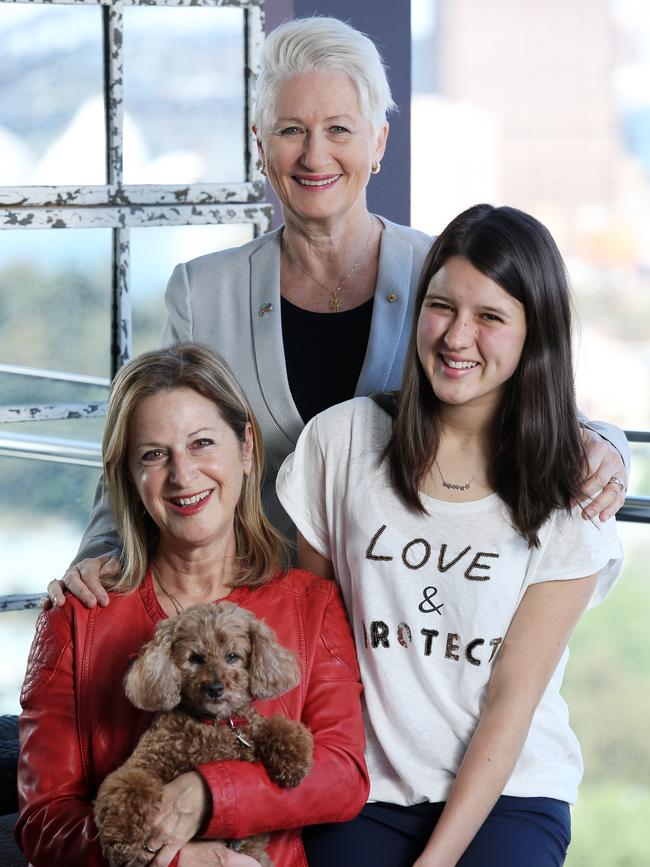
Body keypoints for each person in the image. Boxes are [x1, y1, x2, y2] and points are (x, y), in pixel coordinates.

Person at [47, 16, 628, 609]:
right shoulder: (202, 291)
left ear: (378, 142)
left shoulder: (443, 276)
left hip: (409, 636)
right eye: (291, 129)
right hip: (254, 638)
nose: (314, 154)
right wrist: (97, 561)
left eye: (339, 129)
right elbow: (148, 445)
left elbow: (542, 398)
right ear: (261, 144)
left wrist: (609, 447)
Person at [275, 204, 624, 867]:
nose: (457, 337)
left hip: (512, 792)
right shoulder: (341, 443)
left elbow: (510, 701)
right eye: (442, 307)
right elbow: (315, 649)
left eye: (490, 317)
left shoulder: (569, 492)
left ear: (534, 335)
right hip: (362, 789)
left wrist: (434, 862)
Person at [16, 343, 368, 867]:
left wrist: (209, 795)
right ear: (131, 480)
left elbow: (342, 777)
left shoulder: (311, 603)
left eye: (202, 443)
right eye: (154, 455)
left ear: (246, 448)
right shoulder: (76, 613)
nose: (183, 475)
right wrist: (190, 861)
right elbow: (44, 823)